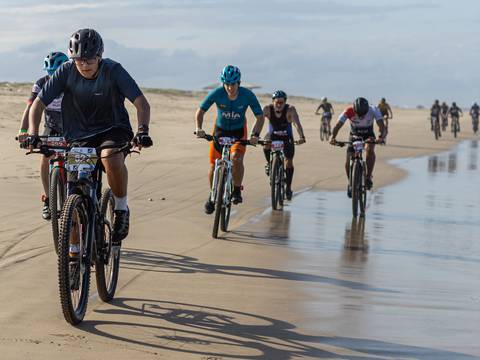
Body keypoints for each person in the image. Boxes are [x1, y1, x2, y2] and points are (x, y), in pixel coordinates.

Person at [26, 28, 152, 253]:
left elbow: (141, 102)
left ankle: (121, 209)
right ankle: (74, 252)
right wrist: (33, 134)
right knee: (73, 195)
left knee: (109, 158)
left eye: (90, 59)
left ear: (100, 55)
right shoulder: (65, 71)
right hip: (80, 136)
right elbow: (38, 104)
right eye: (79, 60)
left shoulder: (113, 70)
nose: (84, 64)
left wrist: (142, 130)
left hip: (114, 129)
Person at [195, 65, 264, 213]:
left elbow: (260, 116)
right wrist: (199, 128)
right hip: (220, 130)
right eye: (226, 84)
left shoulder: (247, 95)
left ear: (238, 83)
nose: (229, 88)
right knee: (214, 165)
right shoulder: (217, 93)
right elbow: (200, 111)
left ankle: (237, 190)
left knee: (236, 158)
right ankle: (212, 194)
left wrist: (255, 135)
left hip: (239, 131)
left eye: (232, 84)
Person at [17, 51, 69, 220]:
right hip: (51, 126)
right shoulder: (40, 83)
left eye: (55, 72)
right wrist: (24, 131)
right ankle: (48, 198)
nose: (52, 76)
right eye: (49, 72)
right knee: (45, 157)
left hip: (72, 126)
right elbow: (30, 108)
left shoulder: (72, 82)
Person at [330, 97, 386, 195]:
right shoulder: (348, 111)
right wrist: (332, 137)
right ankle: (351, 182)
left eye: (363, 114)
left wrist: (381, 137)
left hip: (368, 135)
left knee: (370, 149)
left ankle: (368, 177)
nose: (360, 117)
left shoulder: (373, 109)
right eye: (358, 114)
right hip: (354, 135)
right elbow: (338, 125)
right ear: (354, 109)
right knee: (348, 159)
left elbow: (382, 125)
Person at [263, 90, 305, 200]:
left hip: (287, 137)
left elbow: (296, 123)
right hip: (273, 135)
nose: (279, 105)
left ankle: (288, 188)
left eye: (281, 103)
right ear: (273, 101)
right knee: (265, 143)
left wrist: (301, 137)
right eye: (277, 102)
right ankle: (269, 163)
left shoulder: (290, 109)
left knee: (289, 162)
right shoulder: (267, 108)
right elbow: (259, 121)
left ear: (285, 102)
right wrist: (254, 135)